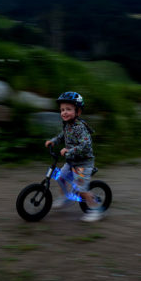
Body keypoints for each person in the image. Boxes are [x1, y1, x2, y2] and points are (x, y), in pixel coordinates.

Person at [45, 91, 103, 222]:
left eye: (68, 109)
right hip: (72, 162)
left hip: (83, 164)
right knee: (60, 177)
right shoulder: (67, 126)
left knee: (81, 189)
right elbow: (61, 136)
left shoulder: (80, 128)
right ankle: (65, 198)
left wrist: (69, 150)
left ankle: (95, 210)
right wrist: (53, 141)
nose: (64, 112)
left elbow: (86, 145)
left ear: (78, 112)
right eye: (62, 110)